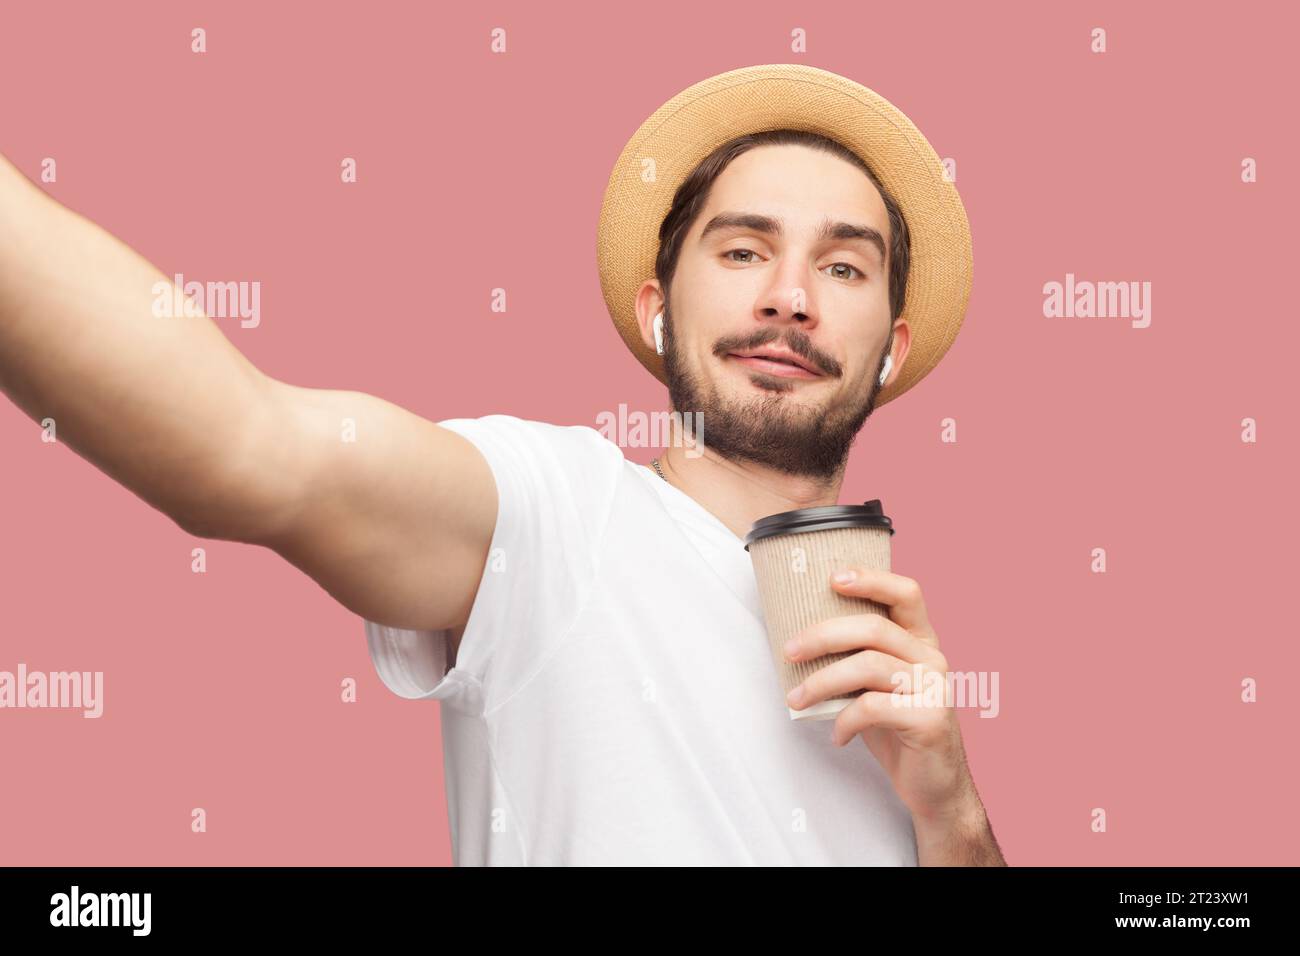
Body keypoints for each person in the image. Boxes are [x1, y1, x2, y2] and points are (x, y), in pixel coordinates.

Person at [0, 64, 1002, 865]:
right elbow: (248, 447)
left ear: (891, 349)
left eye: (842, 265)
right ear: (658, 313)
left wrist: (952, 815)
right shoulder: (553, 515)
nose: (789, 296)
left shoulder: (898, 681)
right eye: (742, 251)